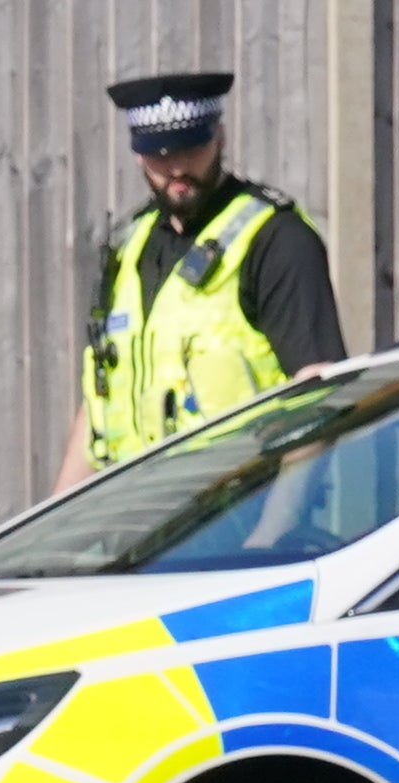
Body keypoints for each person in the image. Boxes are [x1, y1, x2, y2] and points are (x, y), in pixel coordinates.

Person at [72, 68, 349, 478]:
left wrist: (270, 534)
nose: (177, 168)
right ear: (137, 154)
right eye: (159, 154)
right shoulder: (128, 247)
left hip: (240, 514)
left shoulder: (274, 239)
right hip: (137, 519)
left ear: (219, 136)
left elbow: (317, 400)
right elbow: (101, 398)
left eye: (190, 147)